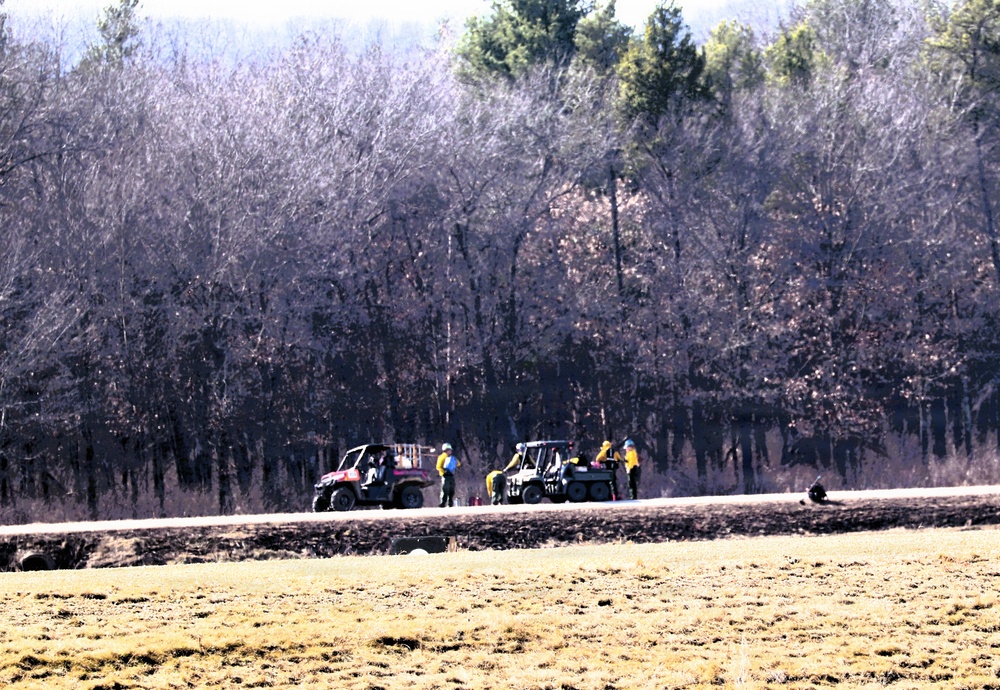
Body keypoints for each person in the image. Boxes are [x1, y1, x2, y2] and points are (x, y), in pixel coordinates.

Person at [437, 443, 460, 507]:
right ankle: (443, 503)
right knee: (445, 489)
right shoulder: (441, 457)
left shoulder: (452, 458)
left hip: (451, 475)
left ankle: (450, 503)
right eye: (450, 450)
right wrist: (444, 471)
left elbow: (458, 464)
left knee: (451, 489)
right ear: (446, 450)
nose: (451, 451)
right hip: (445, 476)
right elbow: (438, 467)